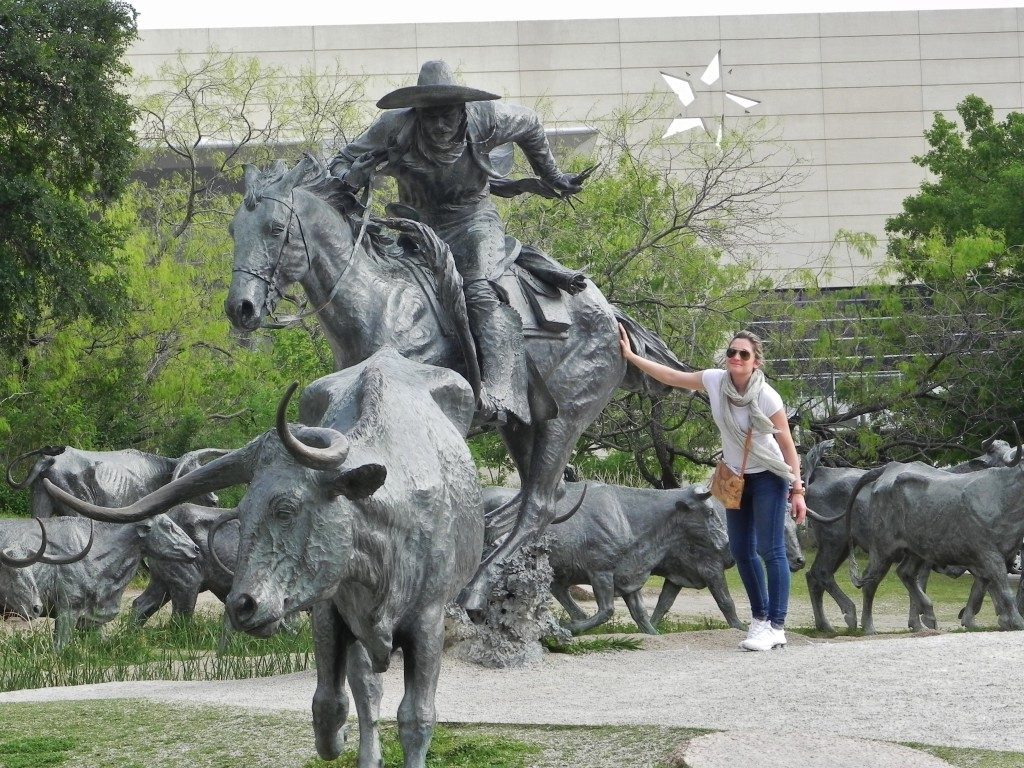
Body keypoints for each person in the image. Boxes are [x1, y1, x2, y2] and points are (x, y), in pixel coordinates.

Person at [329, 60, 586, 425]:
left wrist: (552, 175)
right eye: (429, 115)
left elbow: (529, 122)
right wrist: (352, 174)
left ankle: (501, 390)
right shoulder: (394, 126)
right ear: (416, 111)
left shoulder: (487, 118)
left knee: (478, 289)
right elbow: (339, 163)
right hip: (417, 224)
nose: (438, 124)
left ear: (462, 110)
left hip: (473, 221)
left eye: (446, 114)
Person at [618, 325, 807, 651]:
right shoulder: (715, 381)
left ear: (755, 363)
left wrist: (798, 490)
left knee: (771, 549)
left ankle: (777, 625)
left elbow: (787, 445)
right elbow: (673, 377)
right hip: (735, 478)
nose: (735, 357)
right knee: (741, 551)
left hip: (769, 477)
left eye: (743, 354)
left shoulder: (766, 395)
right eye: (731, 352)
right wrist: (632, 357)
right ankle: (759, 620)